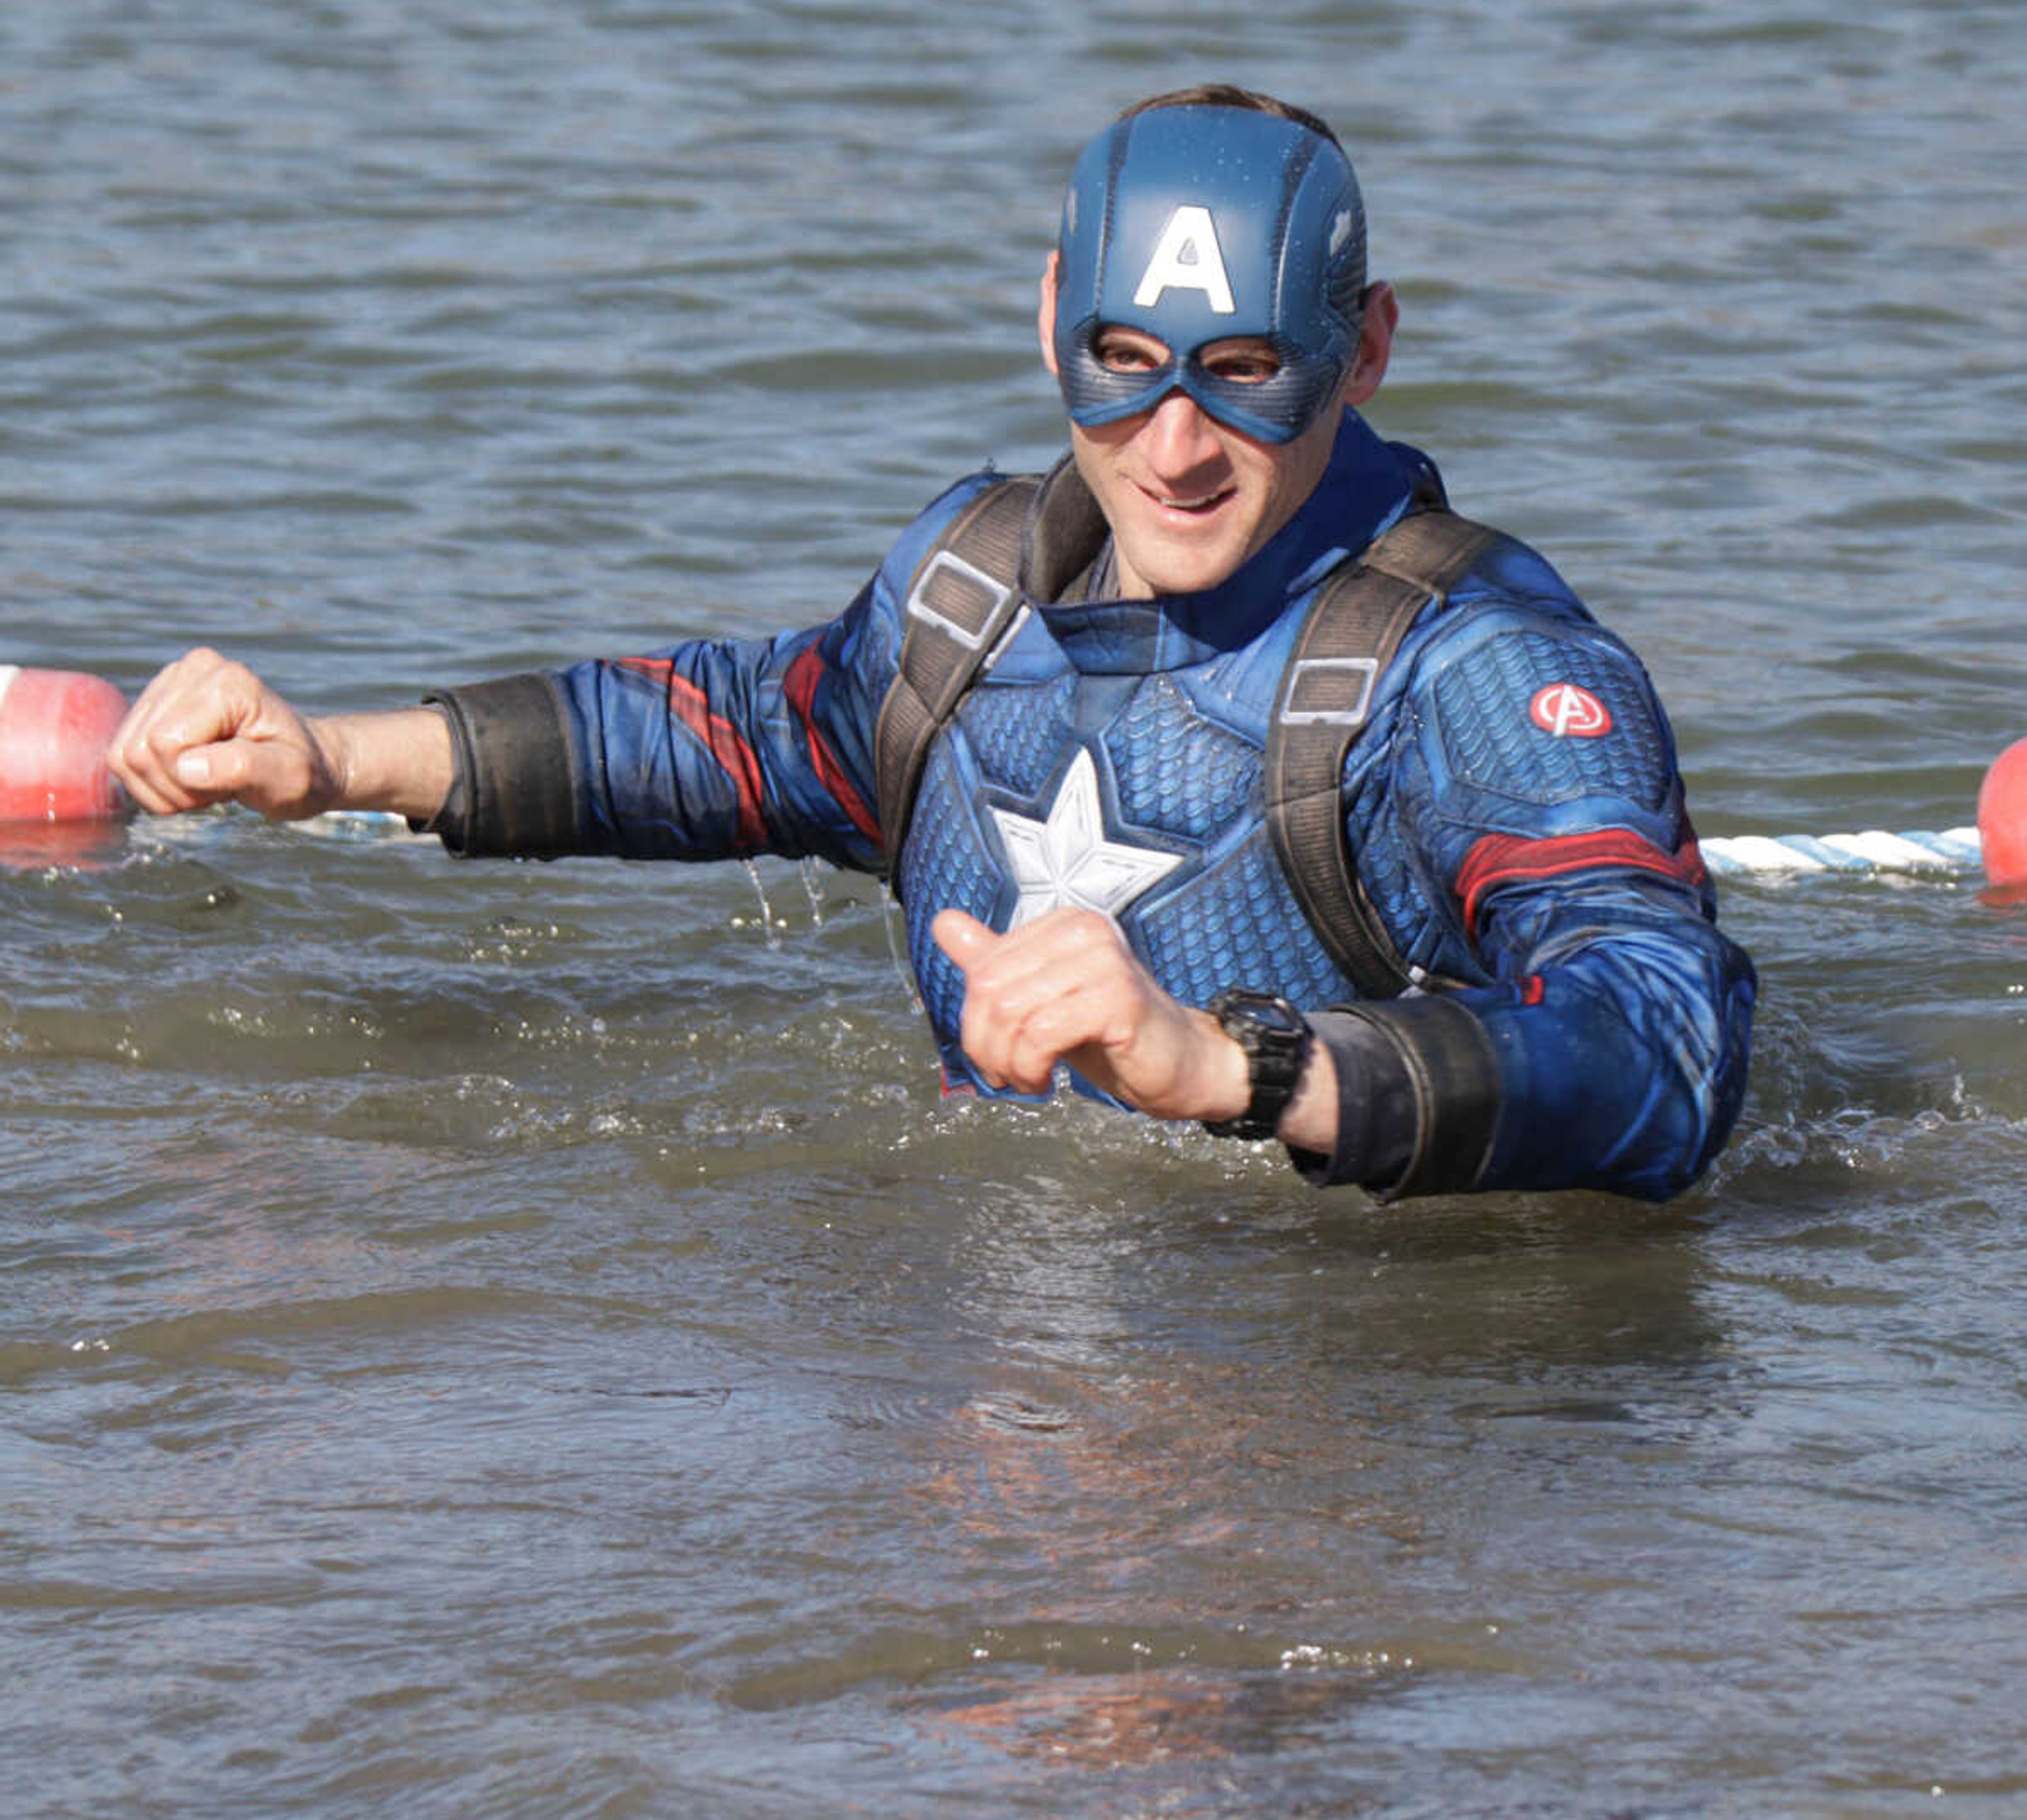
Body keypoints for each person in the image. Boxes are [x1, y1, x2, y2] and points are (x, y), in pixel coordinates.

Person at [108, 86, 1754, 1201]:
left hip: (1367, 1396)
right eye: (1123, 362)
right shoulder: (971, 600)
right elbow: (733, 736)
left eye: (1244, 371)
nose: (1173, 447)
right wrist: (328, 756)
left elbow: (1666, 1050)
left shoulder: (1476, 672)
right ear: (1052, 317)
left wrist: (1223, 1067)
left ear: (1364, 346)